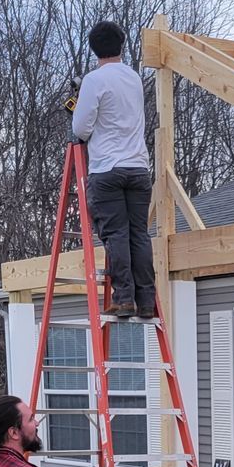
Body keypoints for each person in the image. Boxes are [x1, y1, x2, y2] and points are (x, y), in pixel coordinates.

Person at [72, 19, 156, 320]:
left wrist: (82, 99)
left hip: (107, 168)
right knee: (139, 235)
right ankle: (147, 300)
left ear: (95, 49)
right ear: (121, 45)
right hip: (138, 167)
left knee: (116, 234)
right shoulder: (133, 78)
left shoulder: (95, 81)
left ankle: (124, 298)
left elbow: (80, 128)